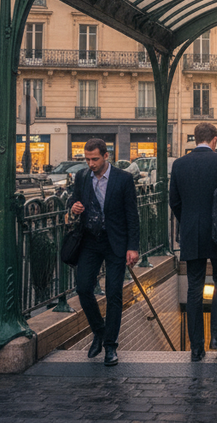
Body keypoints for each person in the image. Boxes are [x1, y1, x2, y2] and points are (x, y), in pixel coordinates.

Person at [169, 122, 217, 361]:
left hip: (192, 233)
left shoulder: (179, 164)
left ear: (194, 139)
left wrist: (188, 221)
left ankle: (196, 346)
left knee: (194, 288)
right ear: (215, 139)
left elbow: (174, 201)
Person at [68, 138, 139, 367]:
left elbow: (132, 215)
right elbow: (73, 198)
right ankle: (99, 330)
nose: (91, 164)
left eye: (95, 159)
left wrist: (133, 247)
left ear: (106, 156)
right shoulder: (81, 177)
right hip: (90, 240)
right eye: (87, 159)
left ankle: (110, 346)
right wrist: (74, 206)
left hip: (115, 242)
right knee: (83, 287)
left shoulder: (123, 179)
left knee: (114, 294)